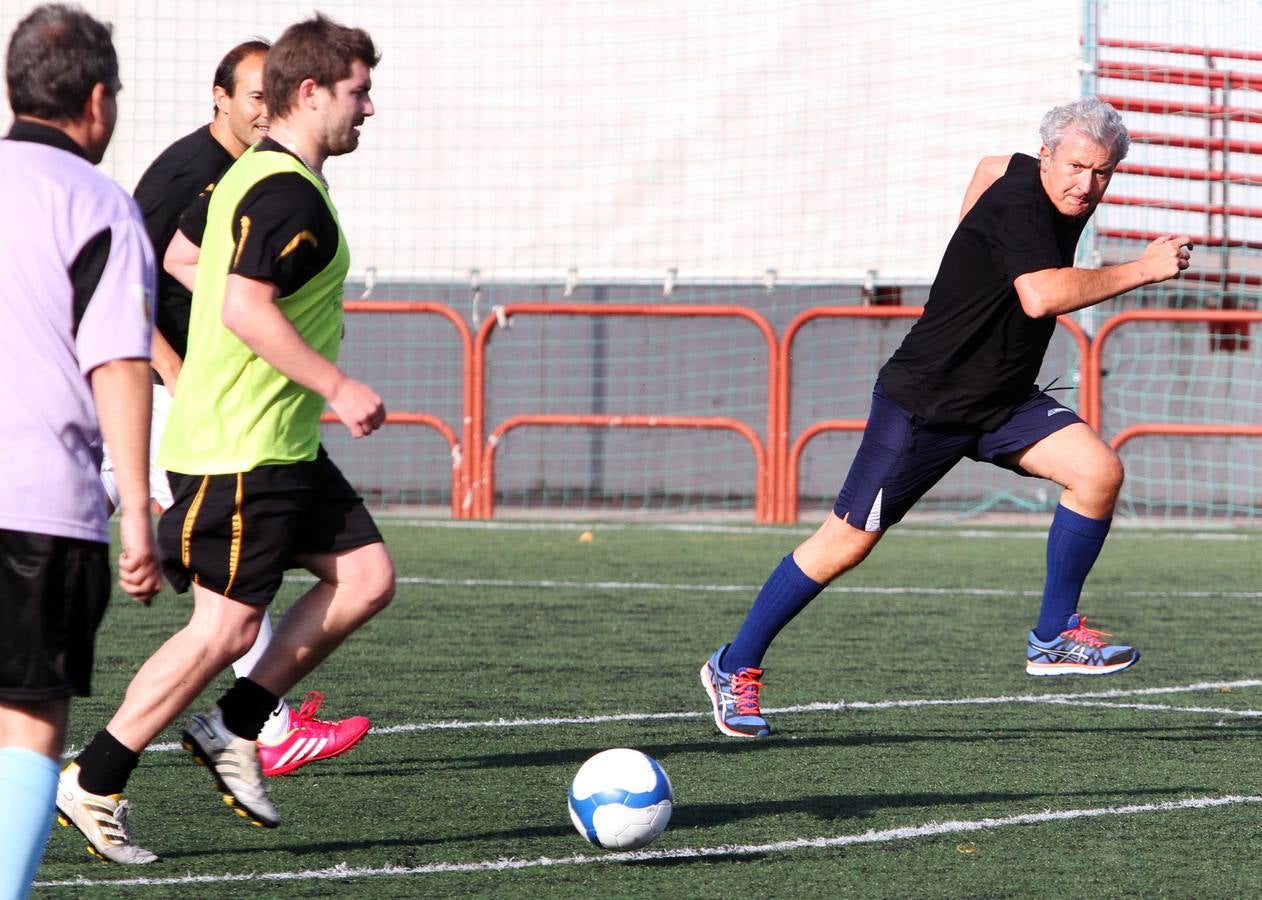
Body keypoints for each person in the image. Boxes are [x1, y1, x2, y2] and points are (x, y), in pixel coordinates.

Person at [702, 97, 1193, 738]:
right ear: (1047, 157)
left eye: (1102, 172)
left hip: (1002, 401)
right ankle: (732, 666)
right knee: (845, 544)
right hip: (926, 404)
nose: (1086, 184)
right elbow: (1041, 295)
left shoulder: (1021, 175)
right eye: (1075, 166)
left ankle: (1053, 637)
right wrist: (1142, 269)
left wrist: (968, 244)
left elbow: (990, 165)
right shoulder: (1023, 206)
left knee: (1098, 472)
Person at [56, 13, 394, 864]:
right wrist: (334, 382)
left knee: (365, 576)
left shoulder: (251, 174)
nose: (370, 110)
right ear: (309, 92)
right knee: (226, 630)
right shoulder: (284, 194)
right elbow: (245, 305)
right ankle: (95, 778)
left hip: (272, 436)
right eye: (358, 92)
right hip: (243, 443)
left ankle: (233, 726)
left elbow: (180, 256)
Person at [0, 4, 163, 891]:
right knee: (26, 729)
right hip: (39, 510)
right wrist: (138, 510)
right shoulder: (98, 202)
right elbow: (119, 363)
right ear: (97, 101)